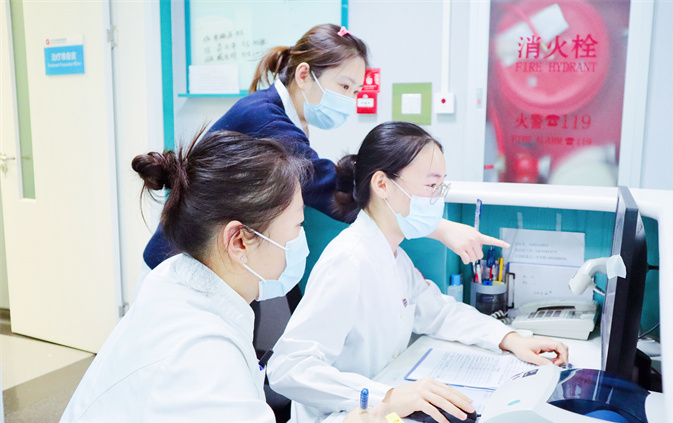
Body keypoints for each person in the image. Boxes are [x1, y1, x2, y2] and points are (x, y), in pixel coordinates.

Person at [31, 131, 392, 423]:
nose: (302, 240)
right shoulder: (200, 352)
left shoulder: (182, 279)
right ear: (239, 240)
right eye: (298, 226)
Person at [267, 122, 570, 423]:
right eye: (431, 186)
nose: (437, 199)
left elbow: (439, 312)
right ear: (382, 184)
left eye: (441, 187)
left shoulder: (392, 255)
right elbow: (289, 367)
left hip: (377, 414)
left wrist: (510, 339)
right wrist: (387, 397)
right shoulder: (349, 261)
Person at [142, 23, 506, 276]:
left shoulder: (284, 116)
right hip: (181, 259)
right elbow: (326, 186)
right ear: (304, 75)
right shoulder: (266, 119)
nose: (350, 100)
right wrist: (438, 226)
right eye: (344, 87)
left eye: (356, 92)